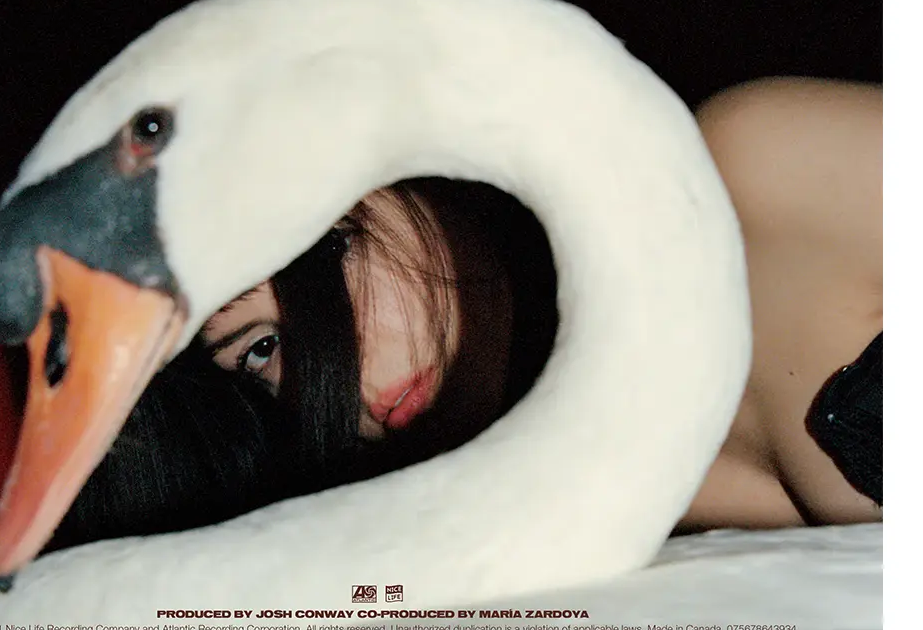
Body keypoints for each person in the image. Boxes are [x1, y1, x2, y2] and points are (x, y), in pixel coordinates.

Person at [197, 77, 882, 533]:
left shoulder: (755, 166)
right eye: (261, 348)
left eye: (333, 254)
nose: (350, 365)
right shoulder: (618, 492)